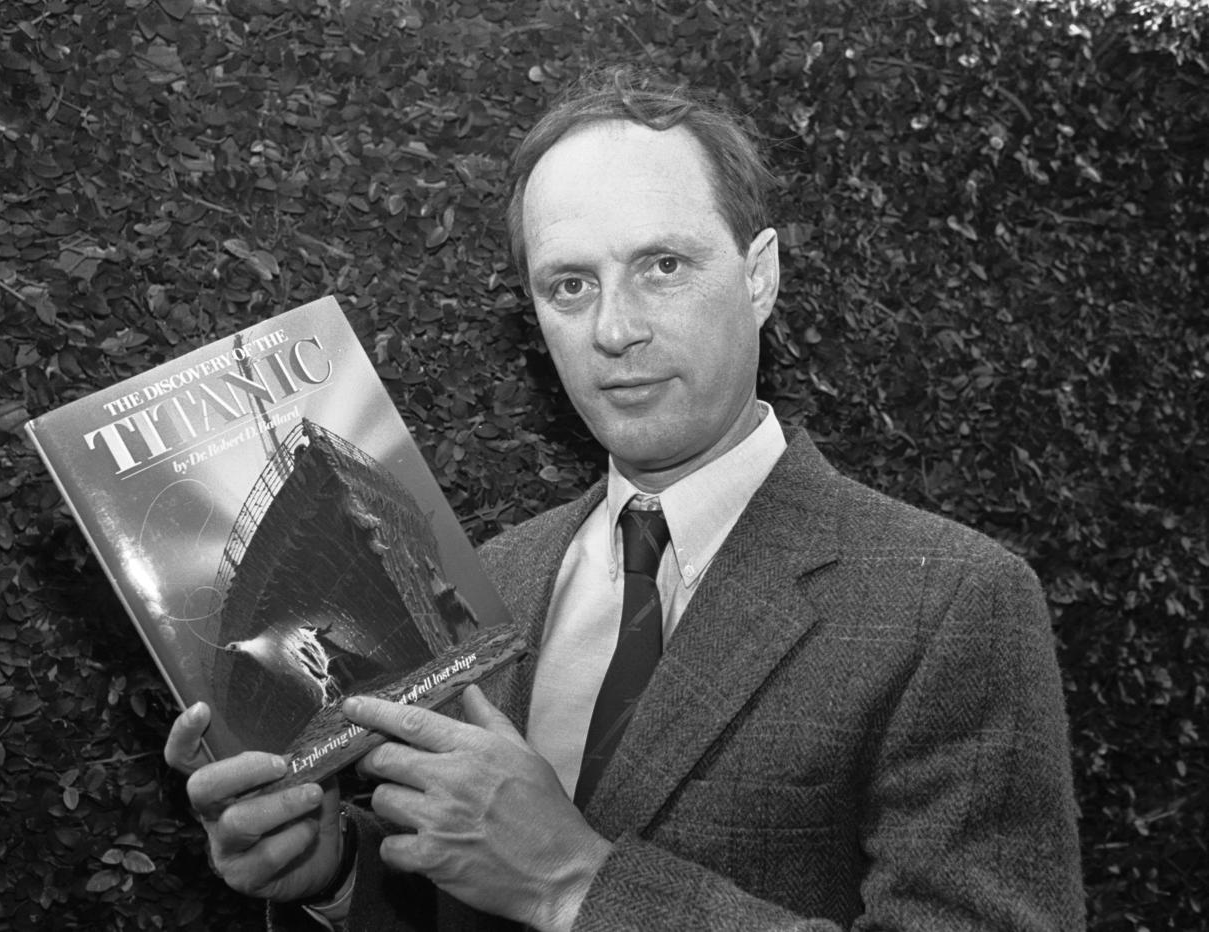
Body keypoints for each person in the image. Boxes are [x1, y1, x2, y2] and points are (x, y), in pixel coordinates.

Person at [165, 69, 1085, 931]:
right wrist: (334, 875)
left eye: (663, 266)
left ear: (759, 274)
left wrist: (577, 885)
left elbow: (547, 875)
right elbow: (462, 891)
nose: (614, 329)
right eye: (570, 285)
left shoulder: (953, 603)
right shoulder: (491, 581)